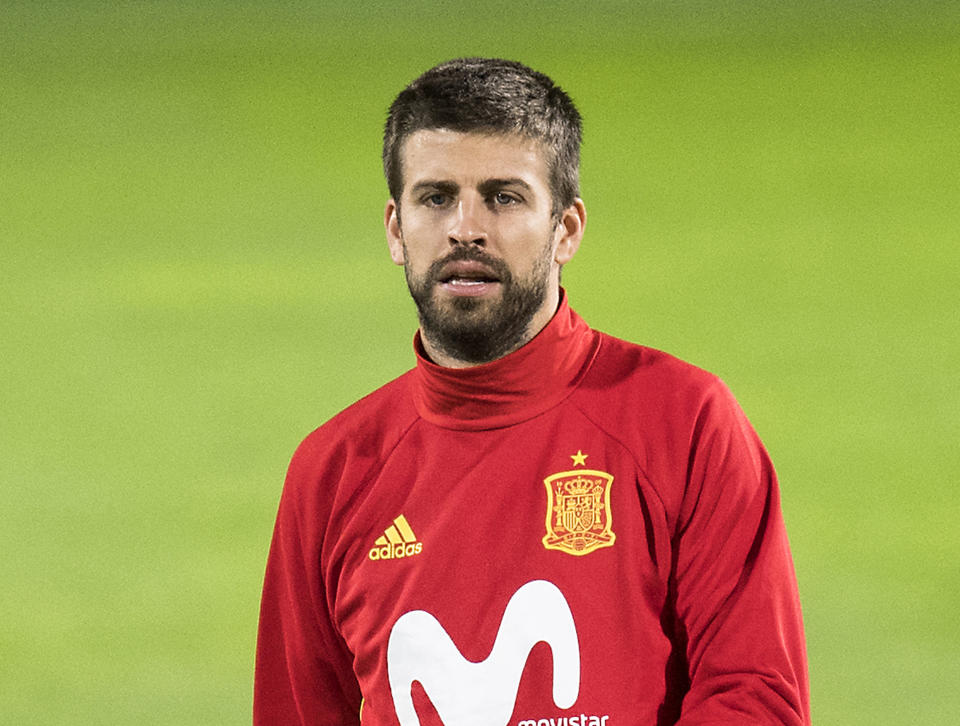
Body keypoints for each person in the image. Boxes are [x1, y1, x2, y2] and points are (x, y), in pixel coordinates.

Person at [254, 57, 810, 726]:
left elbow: (755, 696)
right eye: (436, 198)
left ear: (567, 229)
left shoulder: (683, 421)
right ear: (397, 230)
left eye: (504, 197)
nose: (466, 228)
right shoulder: (332, 472)